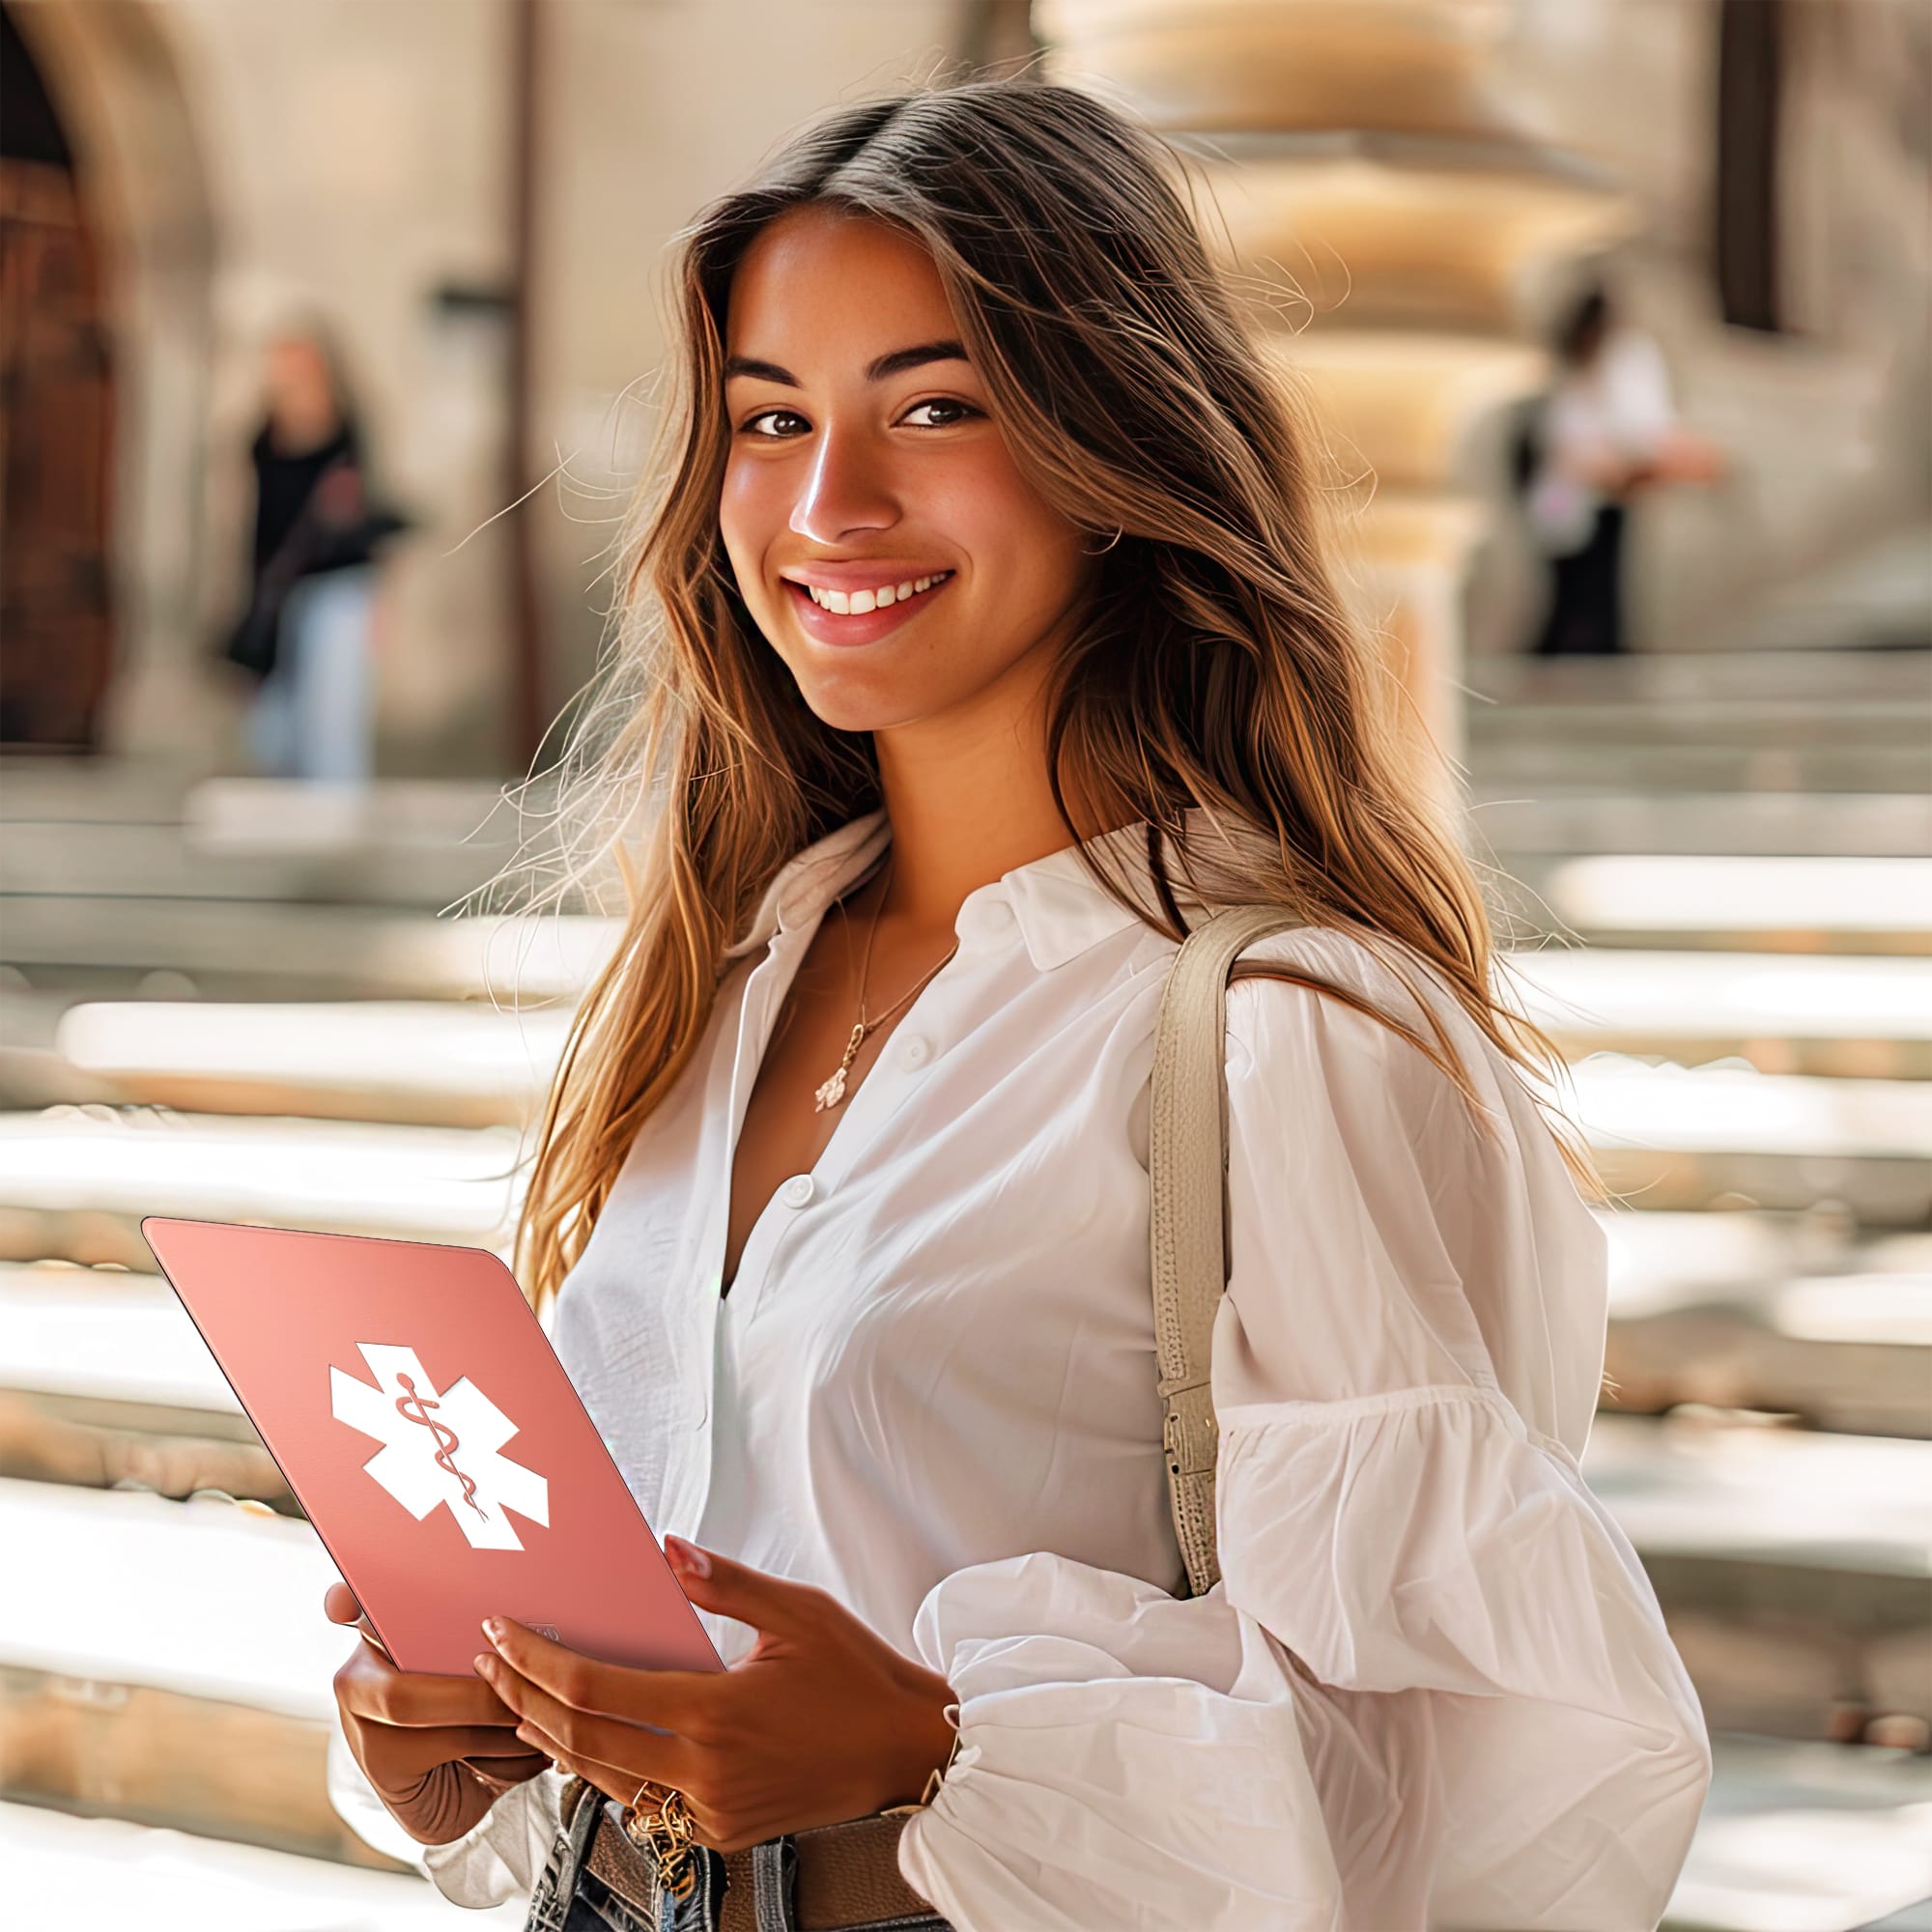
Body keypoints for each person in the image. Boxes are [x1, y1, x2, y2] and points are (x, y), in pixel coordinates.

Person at [322, 78, 1712, 1930]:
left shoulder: (1289, 1034)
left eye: (933, 406)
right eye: (769, 419)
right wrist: (458, 1744)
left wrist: (932, 1750)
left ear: (1108, 447)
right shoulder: (721, 988)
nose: (831, 501)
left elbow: (1504, 1780)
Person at [223, 320, 402, 782]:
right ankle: (295, 819)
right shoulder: (264, 435)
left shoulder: (345, 433)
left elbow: (363, 518)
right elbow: (259, 525)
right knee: (276, 726)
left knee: (334, 716)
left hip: (340, 584)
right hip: (282, 588)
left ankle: (334, 817)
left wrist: (380, 603)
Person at [1521, 282, 1725, 657]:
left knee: (1587, 605)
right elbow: (1637, 433)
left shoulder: (1589, 370)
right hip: (1575, 502)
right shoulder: (1602, 367)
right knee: (1581, 608)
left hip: (1586, 501)